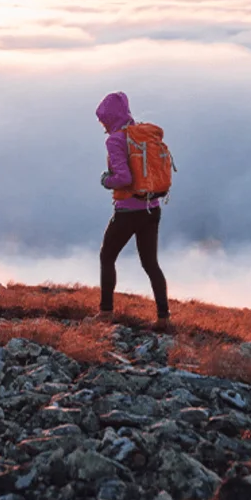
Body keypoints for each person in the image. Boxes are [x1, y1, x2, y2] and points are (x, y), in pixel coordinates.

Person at [94, 91, 171, 331]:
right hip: (152, 208)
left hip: (128, 211)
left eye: (104, 120)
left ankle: (105, 313)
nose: (103, 126)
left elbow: (123, 178)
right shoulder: (141, 134)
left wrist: (106, 180)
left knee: (107, 257)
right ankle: (163, 318)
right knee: (150, 264)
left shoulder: (116, 140)